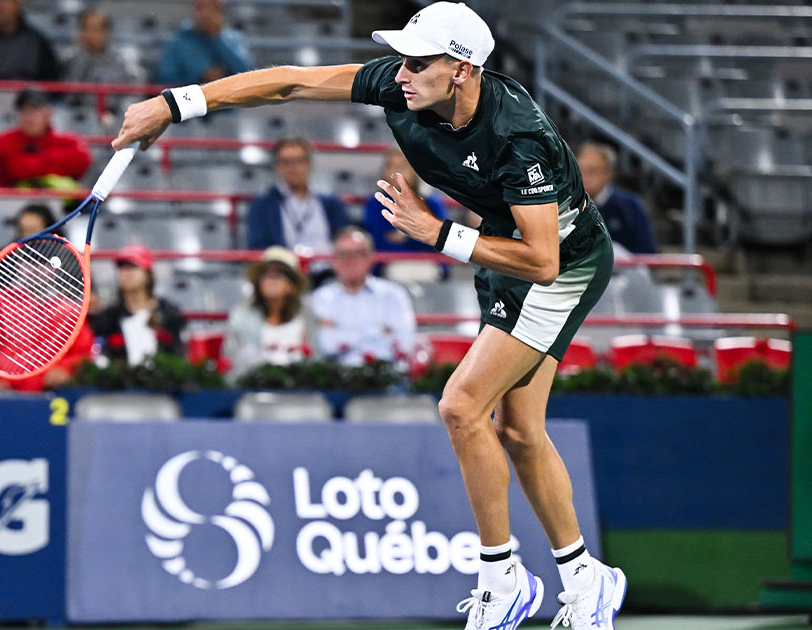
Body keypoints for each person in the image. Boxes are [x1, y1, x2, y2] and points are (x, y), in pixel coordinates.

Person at [111, 3, 624, 628]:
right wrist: (177, 102)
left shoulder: (519, 137)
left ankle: (501, 575)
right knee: (518, 429)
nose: (400, 72)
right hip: (499, 244)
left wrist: (435, 233)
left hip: (561, 264)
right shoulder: (401, 84)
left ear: (461, 70)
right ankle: (583, 577)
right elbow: (292, 80)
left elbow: (543, 262)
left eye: (417, 61)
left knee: (461, 407)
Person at [311, 227, 416, 364]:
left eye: (357, 253)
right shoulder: (321, 297)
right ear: (334, 260)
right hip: (335, 377)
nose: (349, 260)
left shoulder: (394, 294)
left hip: (386, 374)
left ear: (370, 257)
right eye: (342, 254)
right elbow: (326, 345)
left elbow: (404, 343)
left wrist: (342, 334)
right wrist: (378, 333)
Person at [222, 246, 318, 378]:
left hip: (299, 388)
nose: (269, 280)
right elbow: (231, 361)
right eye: (264, 275)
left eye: (277, 275)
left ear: (291, 285)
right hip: (254, 388)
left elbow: (316, 358)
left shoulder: (306, 315)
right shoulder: (241, 317)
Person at [246, 137, 351, 255]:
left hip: (327, 270)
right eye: (286, 162)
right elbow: (257, 247)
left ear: (309, 164)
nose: (293, 167)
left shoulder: (331, 203)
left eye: (299, 161)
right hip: (285, 271)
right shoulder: (263, 204)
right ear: (277, 166)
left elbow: (345, 240)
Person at [89, 245, 186, 365]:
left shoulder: (169, 314)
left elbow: (178, 354)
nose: (126, 273)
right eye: (121, 268)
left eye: (132, 267)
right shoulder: (108, 318)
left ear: (147, 273)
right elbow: (101, 356)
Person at [0, 90, 92, 188]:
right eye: (23, 111)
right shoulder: (5, 140)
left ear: (48, 113)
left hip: (64, 203)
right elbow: (17, 169)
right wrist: (55, 164)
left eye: (34, 111)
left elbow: (82, 161)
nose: (28, 117)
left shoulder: (70, 141)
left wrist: (34, 163)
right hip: (11, 203)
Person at [577, 141, 658, 254]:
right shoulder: (566, 205)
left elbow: (648, 252)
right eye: (579, 171)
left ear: (608, 174)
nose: (584, 177)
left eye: (592, 171)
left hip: (624, 270)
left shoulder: (629, 206)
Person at [364, 146, 448, 252]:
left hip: (426, 262)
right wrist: (417, 235)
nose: (395, 172)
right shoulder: (375, 204)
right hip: (389, 263)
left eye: (402, 166)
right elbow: (376, 242)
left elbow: (439, 242)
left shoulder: (431, 204)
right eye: (390, 166)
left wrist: (406, 238)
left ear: (415, 170)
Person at [154, 0, 252, 86]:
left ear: (220, 10)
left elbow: (247, 75)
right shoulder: (179, 41)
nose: (205, 13)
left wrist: (216, 38)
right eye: (199, 7)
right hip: (191, 104)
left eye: (211, 7)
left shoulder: (234, 39)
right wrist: (200, 79)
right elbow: (165, 79)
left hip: (228, 105)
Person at [64, 8, 145, 86]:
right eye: (85, 28)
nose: (88, 34)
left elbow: (134, 92)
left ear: (106, 32)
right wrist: (83, 58)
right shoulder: (73, 58)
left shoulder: (123, 58)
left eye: (94, 29)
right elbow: (70, 96)